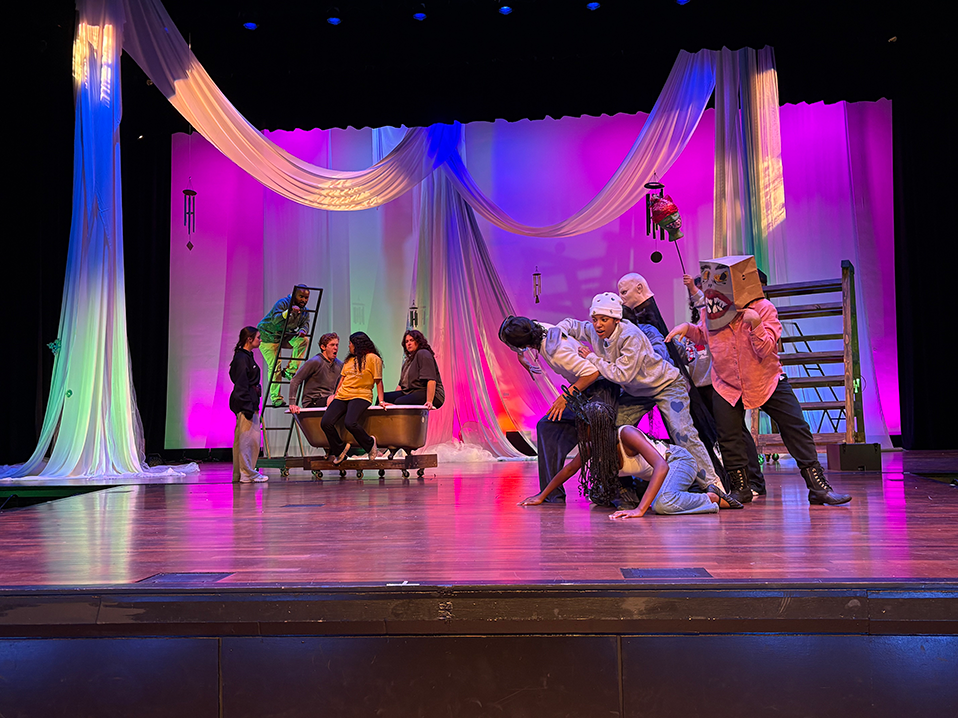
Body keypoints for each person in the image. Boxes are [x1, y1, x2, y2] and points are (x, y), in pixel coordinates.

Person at [668, 255, 852, 506]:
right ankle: (741, 489)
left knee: (796, 427)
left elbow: (766, 350)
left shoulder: (764, 309)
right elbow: (705, 336)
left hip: (766, 379)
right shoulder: (712, 313)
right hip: (727, 383)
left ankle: (818, 488)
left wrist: (755, 325)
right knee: (729, 436)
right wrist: (687, 330)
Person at [557, 292, 724, 491]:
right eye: (595, 319)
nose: (598, 324)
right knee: (612, 427)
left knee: (683, 433)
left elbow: (621, 376)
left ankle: (713, 485)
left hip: (666, 386)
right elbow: (573, 325)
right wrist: (556, 333)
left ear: (616, 319)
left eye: (604, 319)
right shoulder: (595, 330)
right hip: (638, 393)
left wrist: (593, 358)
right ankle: (618, 487)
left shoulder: (630, 336)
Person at [519, 395, 743, 514]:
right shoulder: (592, 446)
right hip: (662, 473)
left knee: (662, 505)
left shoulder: (626, 434)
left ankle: (711, 498)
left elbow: (662, 466)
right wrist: (541, 495)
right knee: (655, 502)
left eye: (582, 426)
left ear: (595, 428)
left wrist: (639, 510)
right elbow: (568, 470)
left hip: (677, 461)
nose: (578, 431)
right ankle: (697, 497)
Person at [499, 315, 618, 504]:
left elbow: (593, 373)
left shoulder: (556, 352)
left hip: (600, 392)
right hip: (587, 390)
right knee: (547, 427)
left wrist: (565, 397)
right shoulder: (541, 328)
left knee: (550, 428)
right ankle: (551, 494)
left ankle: (552, 494)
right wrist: (521, 356)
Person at [684, 273, 766, 497]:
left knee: (737, 432)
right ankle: (732, 481)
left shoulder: (720, 318)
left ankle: (754, 482)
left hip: (720, 385)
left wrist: (693, 288)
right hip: (700, 388)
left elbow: (702, 301)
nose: (704, 297)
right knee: (719, 435)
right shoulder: (698, 326)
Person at [321, 332, 386, 464]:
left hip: (361, 395)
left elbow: (378, 381)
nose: (349, 346)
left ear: (357, 344)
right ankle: (340, 450)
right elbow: (342, 380)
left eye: (350, 343)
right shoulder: (349, 360)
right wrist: (335, 395)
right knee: (325, 422)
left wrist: (382, 401)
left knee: (350, 422)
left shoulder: (373, 359)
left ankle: (369, 444)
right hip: (343, 395)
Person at [257, 285, 311, 407]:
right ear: (294, 295)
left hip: (283, 335)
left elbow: (305, 323)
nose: (304, 300)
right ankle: (276, 398)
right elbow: (276, 320)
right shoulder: (283, 303)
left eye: (306, 297)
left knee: (303, 341)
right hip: (268, 336)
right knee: (275, 365)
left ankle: (290, 370)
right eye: (301, 296)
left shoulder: (304, 311)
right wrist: (289, 312)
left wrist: (303, 330)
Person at [229, 326, 268, 483]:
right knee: (248, 440)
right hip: (246, 403)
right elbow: (241, 383)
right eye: (258, 337)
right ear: (249, 339)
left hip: (249, 401)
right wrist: (247, 405)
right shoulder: (241, 358)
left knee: (244, 440)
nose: (260, 340)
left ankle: (241, 473)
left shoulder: (246, 356)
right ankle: (247, 473)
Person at [383, 330, 445, 409]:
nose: (408, 343)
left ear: (418, 341)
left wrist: (429, 401)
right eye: (406, 341)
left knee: (399, 402)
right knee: (383, 398)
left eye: (411, 340)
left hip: (431, 393)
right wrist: (390, 400)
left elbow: (431, 379)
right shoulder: (408, 361)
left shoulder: (423, 353)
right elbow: (401, 385)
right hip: (411, 392)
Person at [289, 332, 343, 413]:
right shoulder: (315, 362)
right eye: (332, 345)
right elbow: (295, 380)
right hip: (312, 401)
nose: (335, 348)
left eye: (337, 345)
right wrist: (292, 403)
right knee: (335, 400)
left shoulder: (339, 365)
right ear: (323, 347)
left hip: (329, 400)